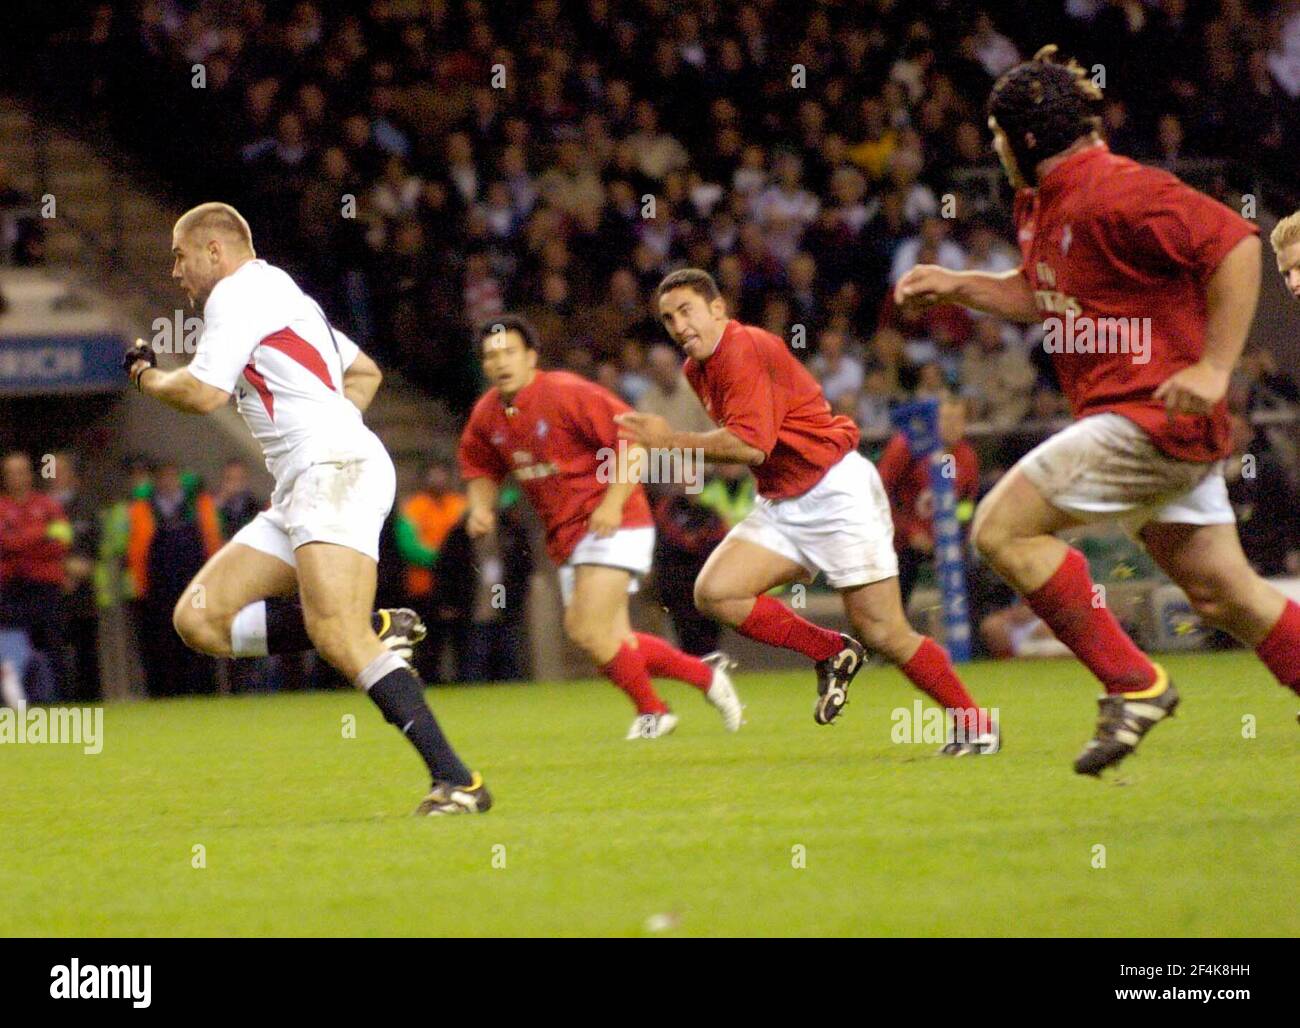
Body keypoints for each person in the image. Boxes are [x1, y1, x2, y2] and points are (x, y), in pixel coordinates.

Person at [895, 46, 1300, 775]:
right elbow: (1041, 291)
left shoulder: (1118, 188)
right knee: (1224, 592)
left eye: (994, 137)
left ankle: (1133, 683)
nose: (993, 149)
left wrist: (1214, 368)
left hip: (1149, 413)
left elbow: (1236, 244)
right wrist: (959, 285)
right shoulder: (1041, 202)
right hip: (1145, 419)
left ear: (1020, 139)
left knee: (1000, 528)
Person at [125, 201, 486, 816]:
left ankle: (459, 783)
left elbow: (205, 391)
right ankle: (371, 627)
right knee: (200, 620)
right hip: (311, 480)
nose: (176, 273)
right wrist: (324, 432)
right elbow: (364, 373)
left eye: (180, 257)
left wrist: (147, 378)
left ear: (217, 251)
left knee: (333, 632)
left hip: (332, 473)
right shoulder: (284, 295)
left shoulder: (237, 295)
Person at [617, 269, 996, 754]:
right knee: (717, 592)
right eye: (668, 318)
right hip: (783, 500)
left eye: (686, 310)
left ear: (717, 309)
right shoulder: (697, 370)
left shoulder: (745, 347)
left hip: (835, 490)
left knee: (885, 631)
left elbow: (751, 446)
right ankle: (831, 651)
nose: (677, 324)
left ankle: (977, 724)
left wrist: (668, 441)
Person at [458, 314, 743, 739]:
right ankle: (704, 676)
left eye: (510, 352)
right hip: (569, 535)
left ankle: (654, 711)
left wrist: (612, 503)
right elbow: (480, 465)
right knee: (608, 637)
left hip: (617, 522)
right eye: (491, 356)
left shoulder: (566, 393)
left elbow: (632, 440)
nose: (501, 362)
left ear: (531, 356)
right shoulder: (487, 414)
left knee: (584, 628)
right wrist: (481, 507)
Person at [126, 462, 223, 696]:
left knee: (199, 636)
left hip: (196, 582)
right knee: (161, 643)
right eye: (163, 478)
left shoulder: (198, 504)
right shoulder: (142, 508)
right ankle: (165, 693)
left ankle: (204, 691)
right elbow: (135, 549)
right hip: (159, 588)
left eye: (172, 477)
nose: (168, 482)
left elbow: (213, 540)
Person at [877, 396, 980, 606]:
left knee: (974, 578)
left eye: (958, 420)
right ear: (933, 420)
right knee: (895, 594)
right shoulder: (906, 447)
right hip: (901, 539)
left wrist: (958, 537)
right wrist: (909, 531)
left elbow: (965, 504)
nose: (952, 426)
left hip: (944, 539)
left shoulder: (966, 457)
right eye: (946, 419)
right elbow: (882, 493)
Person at [0, 452, 70, 703]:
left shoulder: (49, 505)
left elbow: (61, 542)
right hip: (9, 588)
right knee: (12, 647)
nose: (16, 477)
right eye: (10, 472)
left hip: (45, 586)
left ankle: (59, 700)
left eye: (21, 471)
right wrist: (40, 535)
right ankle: (16, 701)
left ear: (30, 474)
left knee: (53, 644)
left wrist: (18, 541)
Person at [394, 460, 467, 683]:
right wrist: (444, 560)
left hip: (459, 587)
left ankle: (465, 683)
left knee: (461, 640)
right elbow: (409, 547)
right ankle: (426, 681)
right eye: (433, 475)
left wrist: (452, 562)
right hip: (423, 587)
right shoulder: (413, 508)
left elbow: (467, 542)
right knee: (426, 640)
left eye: (442, 474)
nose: (438, 480)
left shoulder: (461, 505)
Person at [50, 451, 103, 701]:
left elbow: (95, 546)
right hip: (51, 591)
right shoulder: (43, 508)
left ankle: (92, 702)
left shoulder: (86, 507)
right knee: (55, 651)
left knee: (87, 651)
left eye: (61, 470)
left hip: (83, 593)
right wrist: (62, 569)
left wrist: (80, 569)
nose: (56, 476)